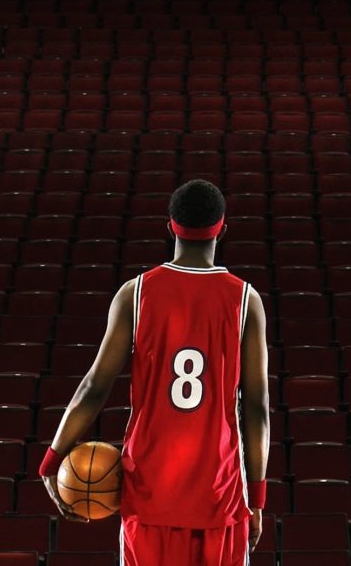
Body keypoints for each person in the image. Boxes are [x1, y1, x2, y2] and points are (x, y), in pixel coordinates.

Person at [40, 178, 269, 566]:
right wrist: (258, 497)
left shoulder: (136, 293)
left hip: (148, 495)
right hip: (220, 497)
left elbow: (95, 387)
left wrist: (51, 461)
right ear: (223, 228)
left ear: (170, 227)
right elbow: (258, 409)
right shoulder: (246, 300)